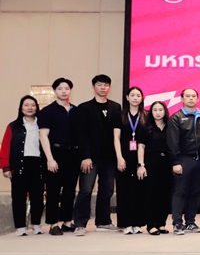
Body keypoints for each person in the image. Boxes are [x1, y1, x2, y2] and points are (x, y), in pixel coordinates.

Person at [73, 74, 122, 236]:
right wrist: (85, 156)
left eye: (106, 85)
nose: (103, 87)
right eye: (100, 84)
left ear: (109, 87)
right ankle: (80, 223)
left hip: (109, 158)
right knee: (86, 189)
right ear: (93, 87)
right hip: (90, 158)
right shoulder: (84, 108)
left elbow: (117, 134)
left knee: (107, 190)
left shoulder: (115, 107)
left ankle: (103, 222)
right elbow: (80, 134)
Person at [38, 77, 79, 235]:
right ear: (55, 91)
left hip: (73, 154)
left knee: (70, 189)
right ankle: (53, 224)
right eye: (60, 88)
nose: (64, 91)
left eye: (67, 88)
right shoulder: (47, 111)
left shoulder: (76, 110)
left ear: (71, 90)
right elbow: (43, 136)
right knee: (53, 190)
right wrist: (50, 159)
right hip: (55, 153)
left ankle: (67, 222)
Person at [0, 96, 45, 236]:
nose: (30, 108)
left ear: (37, 107)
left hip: (38, 164)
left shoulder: (42, 125)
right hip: (19, 164)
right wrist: (5, 167)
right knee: (18, 197)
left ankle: (36, 224)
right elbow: (5, 146)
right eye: (26, 105)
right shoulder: (13, 126)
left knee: (37, 196)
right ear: (21, 108)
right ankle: (20, 227)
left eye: (33, 105)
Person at [167, 87, 200, 235]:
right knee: (180, 192)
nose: (191, 98)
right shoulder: (176, 118)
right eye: (188, 96)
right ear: (182, 99)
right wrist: (176, 162)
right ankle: (177, 223)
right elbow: (173, 142)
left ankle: (190, 222)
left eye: (193, 96)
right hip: (183, 160)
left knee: (195, 192)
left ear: (197, 99)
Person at [114, 86, 147, 234]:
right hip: (124, 156)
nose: (135, 98)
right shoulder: (120, 115)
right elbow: (116, 138)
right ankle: (125, 223)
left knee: (139, 191)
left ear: (142, 98)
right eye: (132, 95)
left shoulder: (146, 115)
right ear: (127, 97)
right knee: (123, 190)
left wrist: (142, 163)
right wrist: (119, 157)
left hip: (141, 158)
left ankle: (137, 223)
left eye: (138, 95)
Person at [141, 101, 171, 235]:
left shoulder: (170, 126)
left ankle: (161, 223)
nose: (158, 112)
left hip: (167, 163)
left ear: (165, 111)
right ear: (151, 112)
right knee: (151, 194)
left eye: (160, 110)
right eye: (155, 110)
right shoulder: (146, 127)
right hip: (151, 163)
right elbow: (141, 147)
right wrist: (141, 165)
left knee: (165, 194)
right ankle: (151, 224)